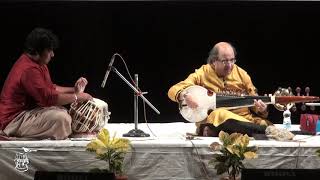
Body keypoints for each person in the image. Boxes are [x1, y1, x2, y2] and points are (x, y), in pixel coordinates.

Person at [0, 27, 93, 140]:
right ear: (39, 50)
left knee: (62, 111)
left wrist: (74, 89)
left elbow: (50, 88)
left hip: (27, 112)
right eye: (49, 50)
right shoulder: (29, 70)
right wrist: (76, 97)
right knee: (61, 118)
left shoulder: (39, 64)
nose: (52, 54)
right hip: (13, 120)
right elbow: (48, 98)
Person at [168, 42, 273, 137]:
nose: (230, 65)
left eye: (232, 60)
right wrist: (186, 96)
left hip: (244, 120)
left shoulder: (242, 75)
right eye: (225, 61)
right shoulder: (202, 73)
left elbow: (254, 102)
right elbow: (173, 89)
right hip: (217, 118)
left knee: (263, 122)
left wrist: (262, 110)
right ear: (214, 61)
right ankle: (264, 132)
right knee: (219, 114)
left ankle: (219, 132)